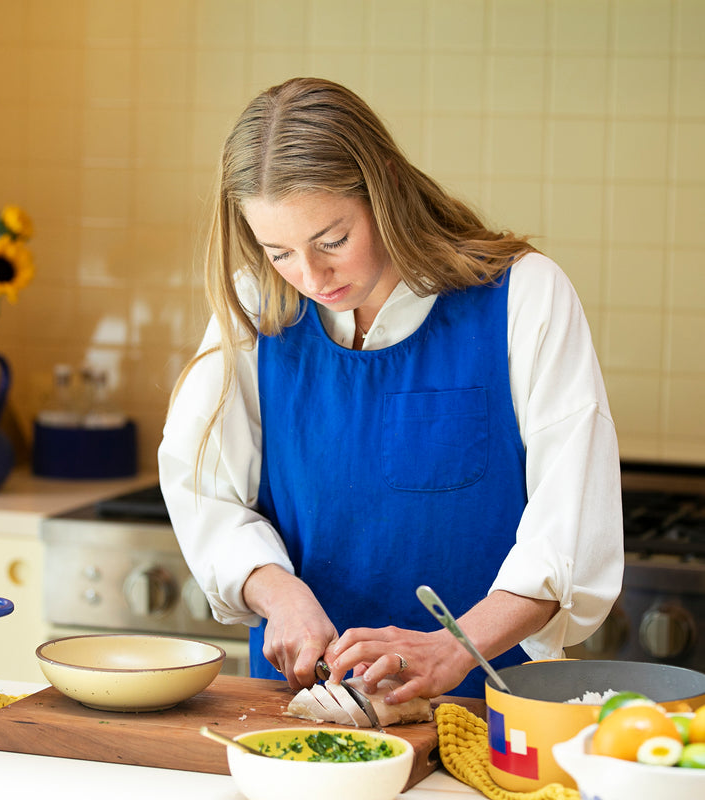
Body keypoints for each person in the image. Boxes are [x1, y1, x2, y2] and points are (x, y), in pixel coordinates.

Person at [158, 77, 624, 703]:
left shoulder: (525, 297)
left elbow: (568, 534)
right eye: (279, 252)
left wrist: (450, 649)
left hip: (491, 711)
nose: (310, 276)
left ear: (384, 191)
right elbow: (205, 494)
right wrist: (280, 593)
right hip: (296, 713)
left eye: (333, 242)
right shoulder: (255, 307)